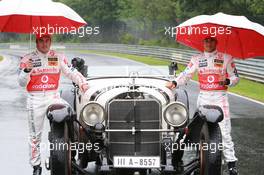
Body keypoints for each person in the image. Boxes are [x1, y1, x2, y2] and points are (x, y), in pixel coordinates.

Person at [166, 36, 239, 175]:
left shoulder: (227, 58)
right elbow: (186, 74)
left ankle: (231, 165)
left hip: (220, 98)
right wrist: (174, 83)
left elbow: (236, 78)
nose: (208, 43)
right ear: (203, 43)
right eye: (206, 41)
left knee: (225, 132)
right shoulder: (196, 59)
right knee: (195, 129)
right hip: (203, 97)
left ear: (216, 42)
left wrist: (228, 80)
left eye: (211, 40)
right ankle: (193, 156)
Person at [18, 33, 88, 175]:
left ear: (51, 41)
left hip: (53, 96)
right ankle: (36, 167)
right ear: (36, 42)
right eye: (41, 41)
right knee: (34, 136)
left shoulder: (58, 57)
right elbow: (21, 83)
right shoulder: (27, 59)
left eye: (47, 41)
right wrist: (26, 70)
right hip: (35, 99)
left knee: (70, 114)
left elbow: (71, 72)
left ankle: (71, 149)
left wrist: (83, 83)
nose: (44, 44)